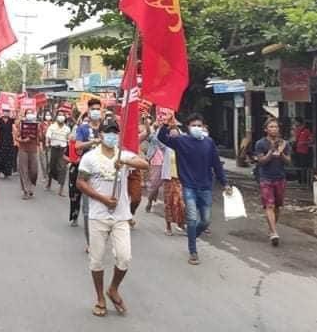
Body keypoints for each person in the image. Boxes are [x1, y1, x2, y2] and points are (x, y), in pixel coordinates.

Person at [76, 122, 149, 317]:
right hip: (98, 215)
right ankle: (100, 297)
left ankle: (113, 288)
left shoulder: (122, 155)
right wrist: (103, 199)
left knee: (124, 257)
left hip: (121, 216)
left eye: (115, 133)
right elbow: (81, 182)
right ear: (100, 135)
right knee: (97, 260)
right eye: (108, 133)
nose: (111, 136)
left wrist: (126, 163)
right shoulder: (90, 157)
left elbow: (145, 164)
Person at [157, 112, 232, 265]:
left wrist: (225, 183)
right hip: (189, 186)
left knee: (205, 221)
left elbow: (216, 165)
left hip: (205, 187)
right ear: (188, 127)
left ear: (203, 127)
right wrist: (166, 124)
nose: (197, 128)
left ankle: (192, 235)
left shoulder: (209, 143)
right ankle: (193, 251)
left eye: (199, 125)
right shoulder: (181, 141)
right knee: (191, 218)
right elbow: (162, 138)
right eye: (194, 125)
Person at [70, 98, 103, 244]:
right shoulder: (82, 128)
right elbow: (77, 146)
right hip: (88, 171)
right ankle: (90, 242)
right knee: (87, 208)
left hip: (104, 171)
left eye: (98, 108)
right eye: (93, 109)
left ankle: (100, 237)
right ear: (88, 111)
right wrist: (92, 142)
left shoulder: (106, 127)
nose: (96, 111)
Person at [256, 117, 292, 246]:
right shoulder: (260, 144)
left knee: (277, 206)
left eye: (275, 127)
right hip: (266, 178)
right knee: (269, 205)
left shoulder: (285, 143)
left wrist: (281, 153)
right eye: (271, 127)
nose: (274, 129)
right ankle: (274, 232)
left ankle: (271, 228)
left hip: (280, 178)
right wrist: (271, 151)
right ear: (266, 129)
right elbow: (261, 161)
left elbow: (288, 161)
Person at [15, 108, 40, 199]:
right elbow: (16, 137)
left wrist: (37, 134)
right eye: (28, 113)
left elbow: (40, 138)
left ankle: (31, 186)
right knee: (23, 170)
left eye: (31, 113)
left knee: (34, 170)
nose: (29, 114)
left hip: (33, 150)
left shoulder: (37, 125)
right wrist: (23, 140)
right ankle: (26, 190)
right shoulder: (21, 125)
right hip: (23, 149)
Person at [45, 111, 71, 195]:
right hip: (53, 149)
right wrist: (47, 143)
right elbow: (48, 136)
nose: (61, 117)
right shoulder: (52, 127)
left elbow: (69, 139)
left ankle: (61, 190)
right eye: (59, 115)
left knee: (63, 169)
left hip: (63, 150)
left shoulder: (67, 128)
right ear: (56, 117)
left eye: (63, 115)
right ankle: (49, 184)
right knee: (51, 167)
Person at [0, 107, 16, 178]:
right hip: (1, 140)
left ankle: (7, 172)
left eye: (7, 111)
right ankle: (0, 170)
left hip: (9, 140)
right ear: (2, 112)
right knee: (1, 156)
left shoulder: (12, 120)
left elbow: (14, 129)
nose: (6, 113)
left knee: (9, 156)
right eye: (5, 111)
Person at [292, 118, 314, 184]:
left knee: (303, 166)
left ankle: (304, 181)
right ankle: (299, 181)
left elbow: (311, 140)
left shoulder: (306, 130)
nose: (295, 123)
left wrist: (304, 142)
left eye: (295, 122)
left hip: (304, 151)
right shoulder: (296, 130)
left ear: (299, 122)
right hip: (296, 150)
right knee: (297, 165)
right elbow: (294, 139)